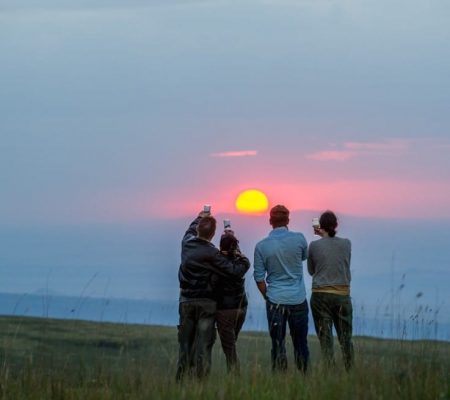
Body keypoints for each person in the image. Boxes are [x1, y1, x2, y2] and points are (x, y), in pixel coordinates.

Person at [176, 210, 250, 381]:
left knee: (185, 344)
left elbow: (189, 230)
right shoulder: (212, 253)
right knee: (204, 345)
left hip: (186, 301)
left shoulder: (186, 243)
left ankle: (180, 381)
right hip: (207, 304)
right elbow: (235, 271)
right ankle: (201, 382)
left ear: (198, 230)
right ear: (213, 234)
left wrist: (199, 217)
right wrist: (238, 249)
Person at [253, 205, 309, 373]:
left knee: (277, 344)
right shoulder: (299, 239)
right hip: (298, 298)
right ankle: (305, 378)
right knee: (301, 343)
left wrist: (267, 296)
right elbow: (304, 257)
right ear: (288, 220)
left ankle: (280, 381)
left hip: (275, 299)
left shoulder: (261, 246)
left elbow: (259, 278)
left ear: (270, 221)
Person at [307, 210, 354, 370]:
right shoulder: (347, 243)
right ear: (336, 225)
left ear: (320, 225)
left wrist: (321, 237)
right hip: (342, 294)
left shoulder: (314, 246)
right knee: (345, 337)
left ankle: (329, 371)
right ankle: (349, 369)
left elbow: (311, 271)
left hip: (320, 295)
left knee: (325, 339)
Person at [215, 231, 248, 374]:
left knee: (229, 349)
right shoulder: (242, 263)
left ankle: (234, 378)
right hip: (241, 308)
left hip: (225, 310)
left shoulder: (216, 263)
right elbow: (244, 259)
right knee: (231, 343)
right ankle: (233, 375)